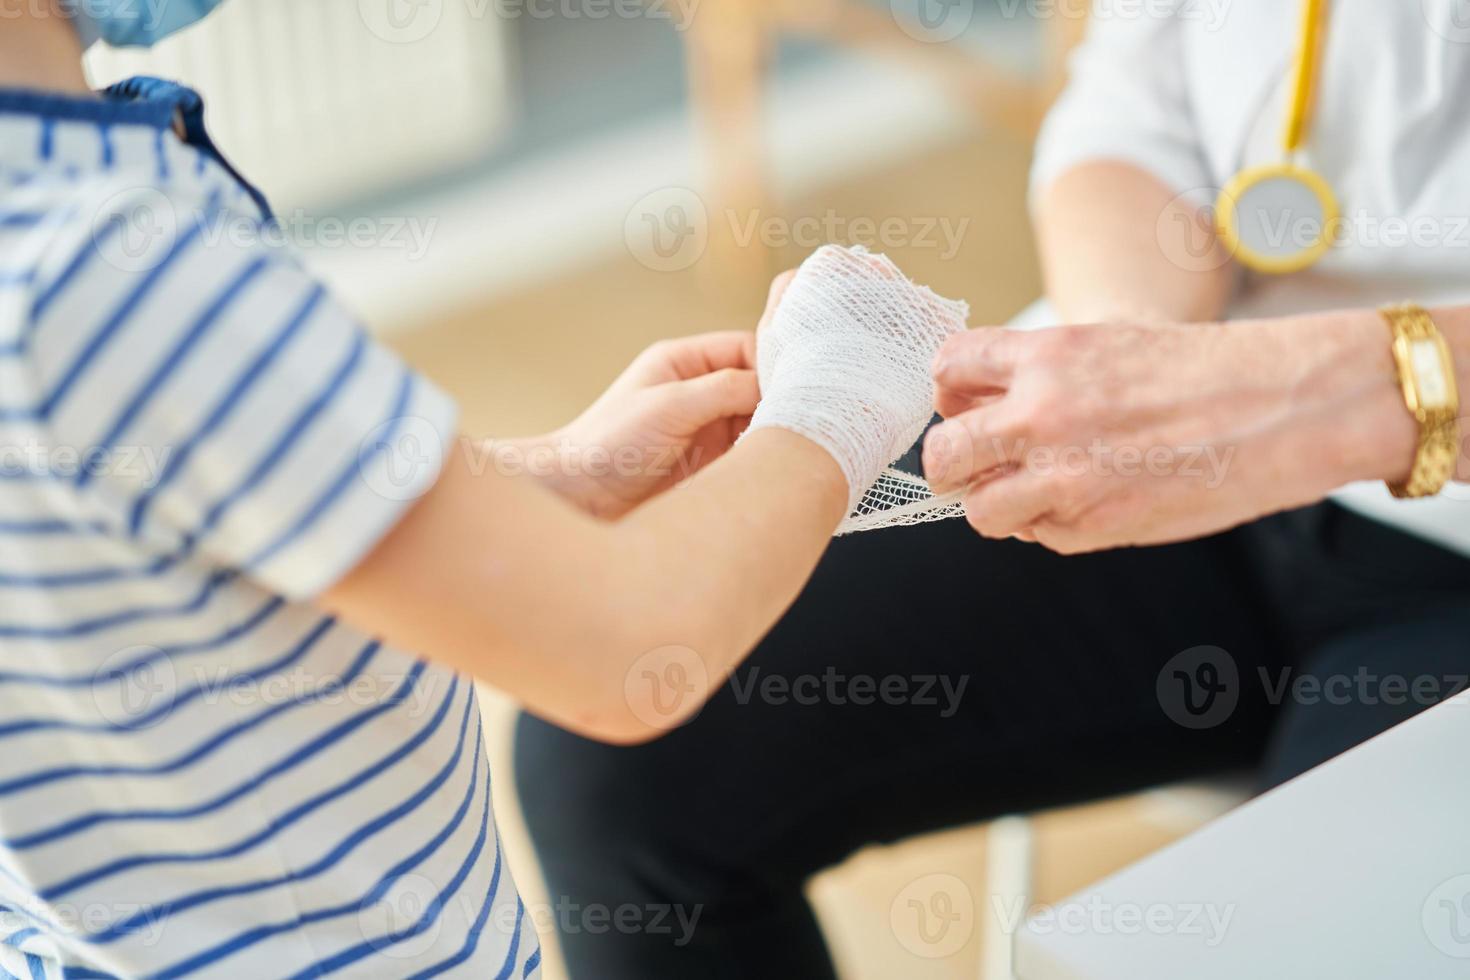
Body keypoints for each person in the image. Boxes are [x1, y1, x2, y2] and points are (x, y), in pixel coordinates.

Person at [0, 4, 959, 977]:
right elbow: (625, 645)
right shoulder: (105, 270)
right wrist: (839, 397)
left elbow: (155, 546)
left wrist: (545, 483)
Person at [517, 3, 1470, 977]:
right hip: (1197, 445)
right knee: (622, 736)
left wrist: (1328, 393)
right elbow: (1127, 107)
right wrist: (1128, 370)